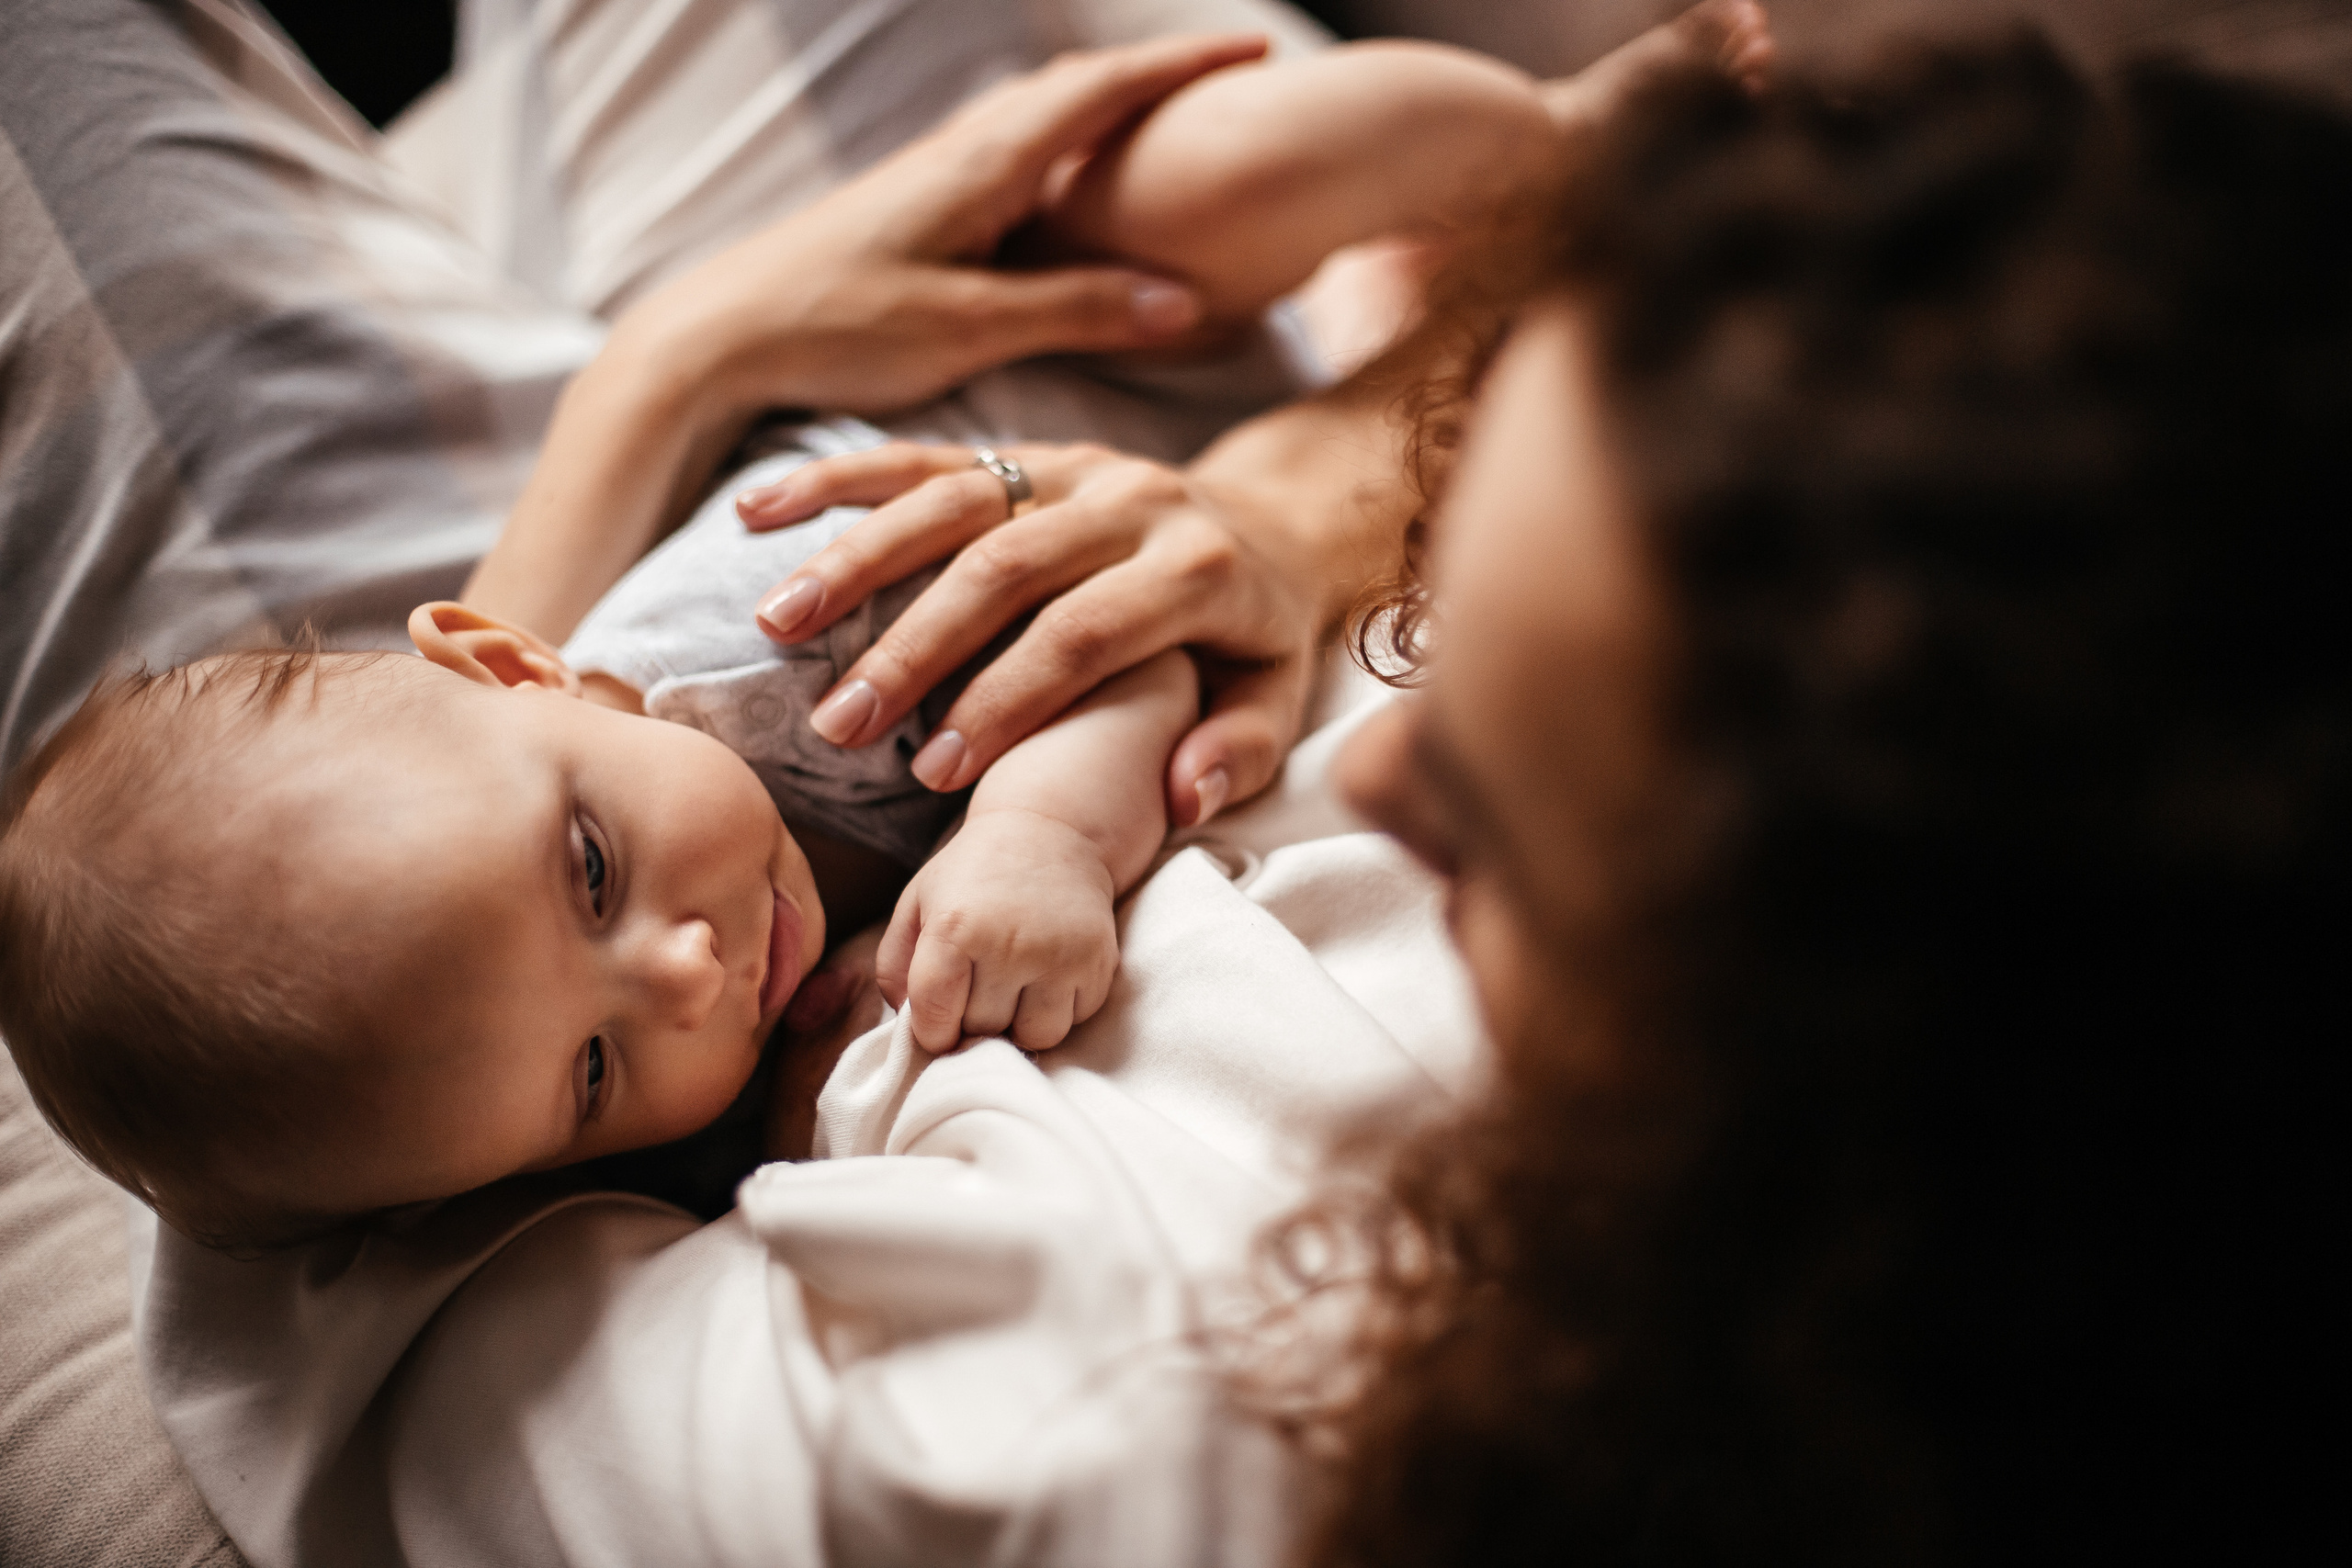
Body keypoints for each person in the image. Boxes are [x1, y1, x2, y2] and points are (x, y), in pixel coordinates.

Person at [776, 28, 2348, 1562]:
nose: (1381, 760)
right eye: (1432, 612)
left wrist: (678, 370)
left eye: (1496, 833)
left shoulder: (1108, 1427)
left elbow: (530, 1265)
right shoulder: (1833, 560)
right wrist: (1282, 498)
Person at [0, 7, 1776, 1252]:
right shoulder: (501, 1083)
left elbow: (1108, 640)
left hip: (1076, 335)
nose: (690, 977)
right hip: (1220, 456)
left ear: (520, 659)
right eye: (592, 1069)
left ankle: (1579, 132)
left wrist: (1038, 840)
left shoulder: (764, 670)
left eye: (595, 871)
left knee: (1228, 170)